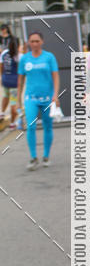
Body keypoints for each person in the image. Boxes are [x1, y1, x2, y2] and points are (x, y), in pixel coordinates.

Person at [16, 32, 59, 170]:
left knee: (48, 126)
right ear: (28, 43)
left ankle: (46, 156)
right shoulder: (25, 59)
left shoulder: (49, 57)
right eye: (32, 41)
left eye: (37, 41)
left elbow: (56, 77)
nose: (34, 44)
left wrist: (55, 95)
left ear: (42, 42)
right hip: (30, 99)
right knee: (31, 126)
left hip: (47, 99)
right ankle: (33, 157)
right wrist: (18, 100)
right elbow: (20, 81)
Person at [0, 35, 19, 129]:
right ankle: (12, 123)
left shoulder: (4, 53)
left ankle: (2, 113)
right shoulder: (17, 55)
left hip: (5, 79)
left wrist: (2, 77)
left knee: (5, 96)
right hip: (14, 82)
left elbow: (1, 67)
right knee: (13, 103)